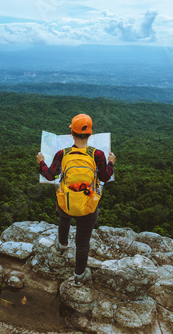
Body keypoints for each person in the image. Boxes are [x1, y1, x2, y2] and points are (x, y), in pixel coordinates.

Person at [36, 114, 116, 286]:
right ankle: (79, 276)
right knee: (82, 243)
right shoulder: (98, 155)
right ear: (90, 134)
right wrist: (111, 162)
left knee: (64, 217)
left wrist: (41, 161)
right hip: (88, 205)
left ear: (71, 133)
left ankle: (62, 244)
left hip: (66, 202)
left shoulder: (62, 154)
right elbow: (105, 176)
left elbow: (50, 176)